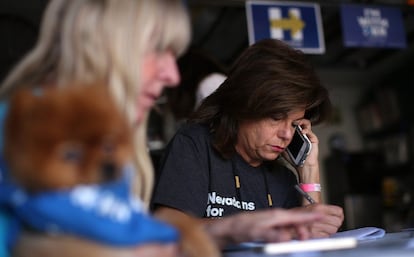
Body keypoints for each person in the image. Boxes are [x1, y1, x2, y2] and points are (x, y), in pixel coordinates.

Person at [0, 1, 327, 256]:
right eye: (159, 49)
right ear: (102, 40)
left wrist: (233, 229)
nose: (172, 75)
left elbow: (133, 240)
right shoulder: (26, 128)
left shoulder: (106, 146)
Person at [151, 38, 345, 247]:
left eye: (295, 124)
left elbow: (313, 243)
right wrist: (244, 227)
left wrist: (309, 171)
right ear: (244, 104)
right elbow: (167, 233)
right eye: (276, 117)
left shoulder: (283, 178)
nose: (287, 135)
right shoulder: (193, 145)